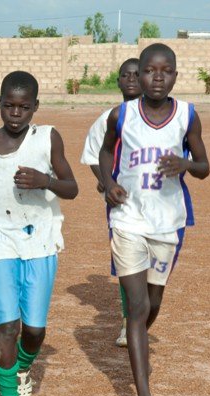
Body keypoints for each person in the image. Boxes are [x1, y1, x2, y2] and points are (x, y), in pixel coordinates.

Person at [98, 43, 210, 396]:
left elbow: (205, 166)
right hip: (128, 219)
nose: (157, 78)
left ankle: (138, 337)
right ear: (139, 75)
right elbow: (105, 153)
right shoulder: (122, 115)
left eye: (165, 71)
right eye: (149, 70)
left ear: (175, 76)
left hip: (167, 222)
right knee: (136, 305)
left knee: (153, 302)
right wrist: (109, 183)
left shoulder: (187, 116)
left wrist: (185, 163)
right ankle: (143, 395)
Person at [0, 71, 78, 396]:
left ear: (35, 107)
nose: (16, 113)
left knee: (33, 329)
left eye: (24, 107)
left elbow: (72, 188)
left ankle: (24, 366)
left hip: (39, 239)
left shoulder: (47, 139)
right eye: (9, 106)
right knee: (7, 324)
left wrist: (45, 181)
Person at [81, 58, 142, 346]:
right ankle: (129, 322)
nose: (131, 79)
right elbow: (93, 154)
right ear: (118, 81)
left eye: (137, 74)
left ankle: (142, 315)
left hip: (157, 204)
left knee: (152, 263)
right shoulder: (109, 118)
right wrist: (108, 182)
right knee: (127, 261)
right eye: (125, 75)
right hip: (122, 204)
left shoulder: (161, 118)